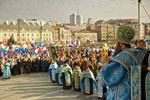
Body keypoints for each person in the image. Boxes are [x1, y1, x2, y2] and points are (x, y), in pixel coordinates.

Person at [100, 25, 147, 100]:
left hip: (122, 95)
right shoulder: (139, 53)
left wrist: (106, 63)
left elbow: (109, 76)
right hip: (137, 94)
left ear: (120, 43)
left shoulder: (122, 57)